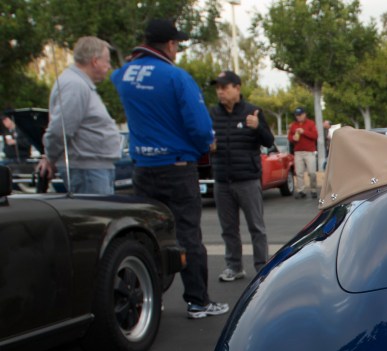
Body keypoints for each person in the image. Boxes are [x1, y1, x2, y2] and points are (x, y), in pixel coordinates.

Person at [112, 18, 228, 320]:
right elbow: (200, 127)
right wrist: (207, 144)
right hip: (177, 166)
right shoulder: (176, 77)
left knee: (147, 234)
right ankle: (198, 301)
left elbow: (117, 74)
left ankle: (150, 298)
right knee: (188, 234)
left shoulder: (124, 74)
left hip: (143, 167)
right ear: (171, 45)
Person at [207, 70, 273, 283]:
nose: (220, 92)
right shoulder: (212, 114)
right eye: (218, 88)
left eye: (224, 87)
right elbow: (203, 139)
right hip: (222, 180)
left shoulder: (252, 111)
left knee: (256, 226)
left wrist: (257, 128)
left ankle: (262, 267)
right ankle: (234, 266)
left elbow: (268, 141)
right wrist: (207, 144)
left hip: (247, 179)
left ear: (237, 88)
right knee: (228, 229)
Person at [37, 36, 122, 194]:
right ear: (95, 61)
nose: (109, 66)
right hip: (87, 170)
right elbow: (60, 129)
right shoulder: (74, 85)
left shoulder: (78, 83)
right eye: (107, 61)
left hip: (91, 169)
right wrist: (50, 157)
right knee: (96, 217)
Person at [287, 107, 318, 198]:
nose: (298, 117)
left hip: (309, 152)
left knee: (312, 172)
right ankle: (301, 190)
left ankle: (313, 189)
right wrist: (293, 138)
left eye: (300, 115)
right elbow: (289, 137)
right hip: (298, 152)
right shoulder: (293, 125)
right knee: (299, 172)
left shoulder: (311, 123)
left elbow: (315, 136)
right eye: (297, 115)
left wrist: (303, 132)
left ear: (304, 114)